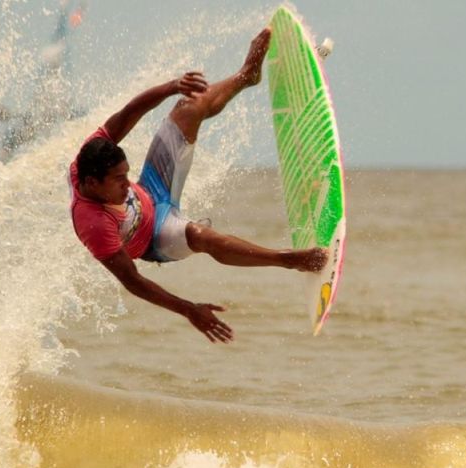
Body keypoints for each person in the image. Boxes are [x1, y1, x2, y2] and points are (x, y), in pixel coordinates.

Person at [68, 28, 327, 343]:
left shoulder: (93, 152)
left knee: (186, 108)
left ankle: (246, 75)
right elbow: (132, 281)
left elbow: (129, 113)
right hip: (155, 238)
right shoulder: (93, 224)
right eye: (119, 180)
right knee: (201, 236)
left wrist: (171, 86)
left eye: (126, 175)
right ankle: (288, 260)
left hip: (154, 188)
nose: (126, 185)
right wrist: (188, 309)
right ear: (92, 183)